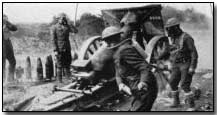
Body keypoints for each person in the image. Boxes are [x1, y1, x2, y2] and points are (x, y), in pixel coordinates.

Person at [102, 26, 158, 111]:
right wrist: (120, 83)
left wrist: (143, 82)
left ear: (114, 39)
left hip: (145, 89)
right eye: (107, 41)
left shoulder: (125, 50)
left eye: (108, 40)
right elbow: (118, 69)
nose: (108, 43)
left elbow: (144, 66)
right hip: (136, 90)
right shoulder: (116, 51)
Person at [165, 18, 198, 111]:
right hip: (176, 64)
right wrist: (170, 63)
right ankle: (176, 102)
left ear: (176, 27)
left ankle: (192, 106)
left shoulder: (187, 37)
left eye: (170, 28)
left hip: (186, 63)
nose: (168, 31)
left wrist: (192, 67)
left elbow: (193, 53)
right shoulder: (173, 37)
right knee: (172, 82)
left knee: (184, 84)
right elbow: (173, 52)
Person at [50, 13, 78, 83]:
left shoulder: (67, 26)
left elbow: (75, 31)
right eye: (61, 18)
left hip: (67, 48)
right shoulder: (54, 27)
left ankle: (68, 79)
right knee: (59, 65)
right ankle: (59, 80)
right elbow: (53, 40)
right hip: (59, 49)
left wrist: (70, 24)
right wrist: (55, 50)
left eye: (63, 18)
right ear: (58, 19)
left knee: (67, 64)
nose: (62, 20)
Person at [3, 14, 18, 83]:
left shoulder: (6, 23)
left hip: (8, 43)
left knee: (12, 61)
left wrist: (7, 22)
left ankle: (10, 79)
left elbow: (15, 28)